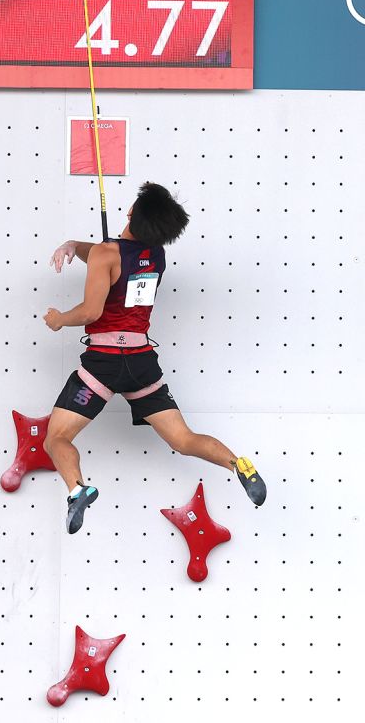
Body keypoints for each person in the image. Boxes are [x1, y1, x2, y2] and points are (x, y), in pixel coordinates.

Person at [40, 182, 266, 534]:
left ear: (131, 212)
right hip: (142, 364)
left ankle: (76, 489)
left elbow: (89, 310)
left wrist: (58, 320)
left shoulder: (106, 253)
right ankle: (237, 463)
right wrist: (76, 246)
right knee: (184, 439)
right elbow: (110, 256)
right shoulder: (157, 255)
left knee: (57, 438)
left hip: (103, 364)